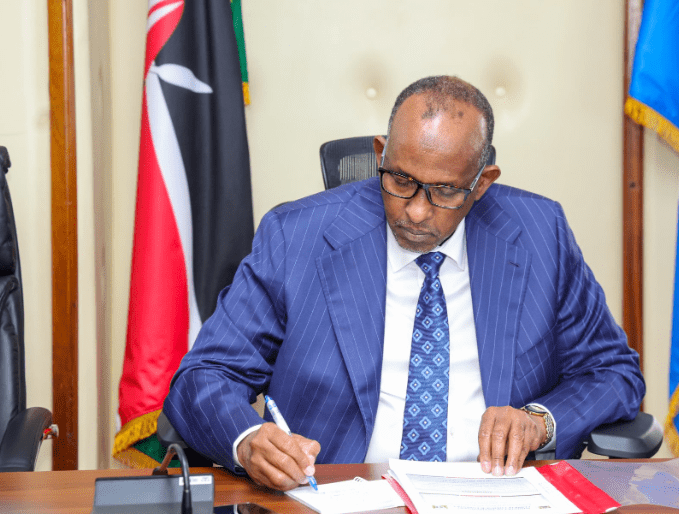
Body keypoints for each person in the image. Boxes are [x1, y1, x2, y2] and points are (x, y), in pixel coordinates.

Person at [164, 75, 645, 491]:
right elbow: (204, 377)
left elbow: (613, 372)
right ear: (380, 154)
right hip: (334, 494)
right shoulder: (296, 237)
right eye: (400, 180)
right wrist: (247, 441)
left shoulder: (540, 234)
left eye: (445, 191)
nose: (415, 210)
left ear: (481, 182)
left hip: (492, 495)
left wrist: (540, 422)